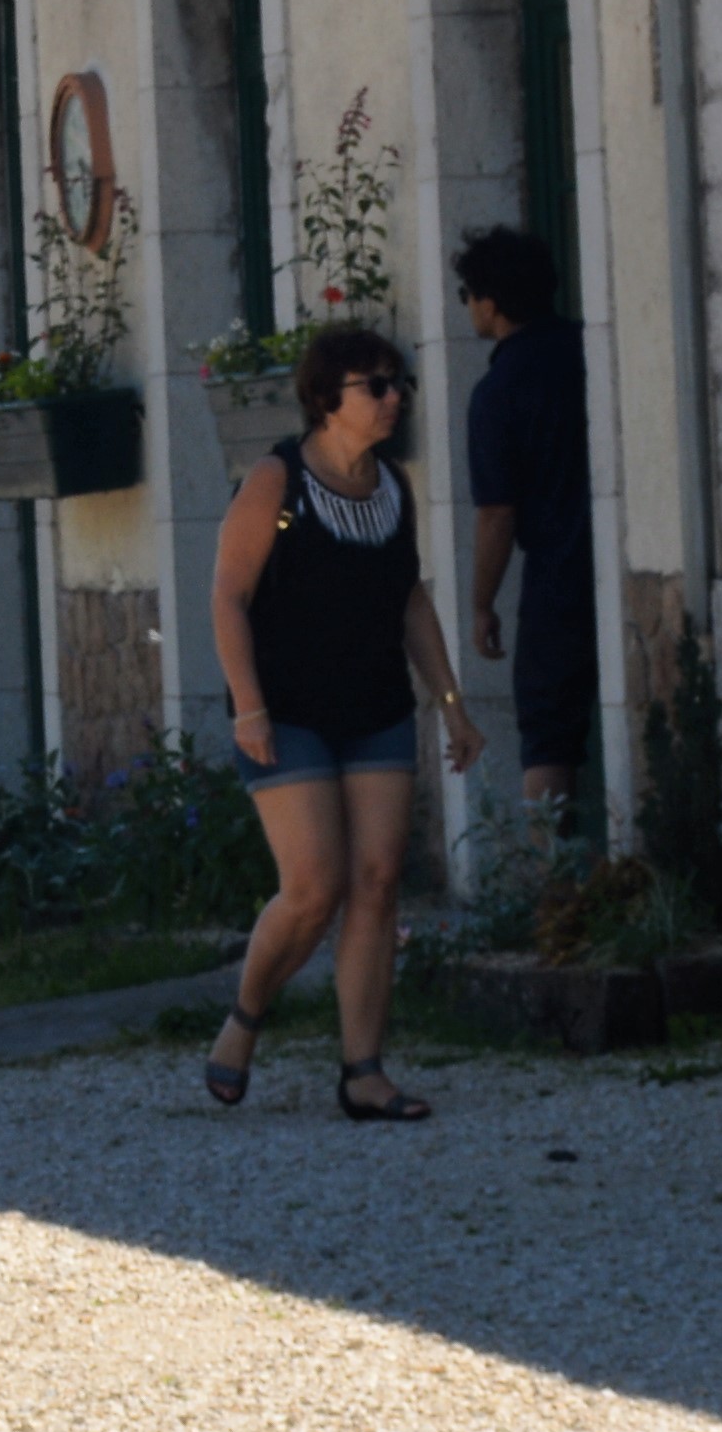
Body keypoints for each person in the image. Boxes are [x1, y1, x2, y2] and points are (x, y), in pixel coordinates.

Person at [202, 322, 484, 1121]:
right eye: (377, 386)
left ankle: (364, 1072)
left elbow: (411, 600)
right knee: (314, 885)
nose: (395, 399)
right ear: (328, 398)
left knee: (379, 880)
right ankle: (245, 1017)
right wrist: (249, 706)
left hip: (375, 707)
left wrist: (453, 706)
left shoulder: (393, 486)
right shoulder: (276, 480)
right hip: (286, 710)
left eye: (400, 384)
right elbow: (227, 596)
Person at [453, 228, 604, 874]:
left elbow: (496, 514)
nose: (467, 307)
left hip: (556, 574)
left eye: (467, 294)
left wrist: (481, 602)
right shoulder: (591, 349)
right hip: (619, 555)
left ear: (489, 303)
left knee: (547, 731)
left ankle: (555, 886)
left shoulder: (498, 392)